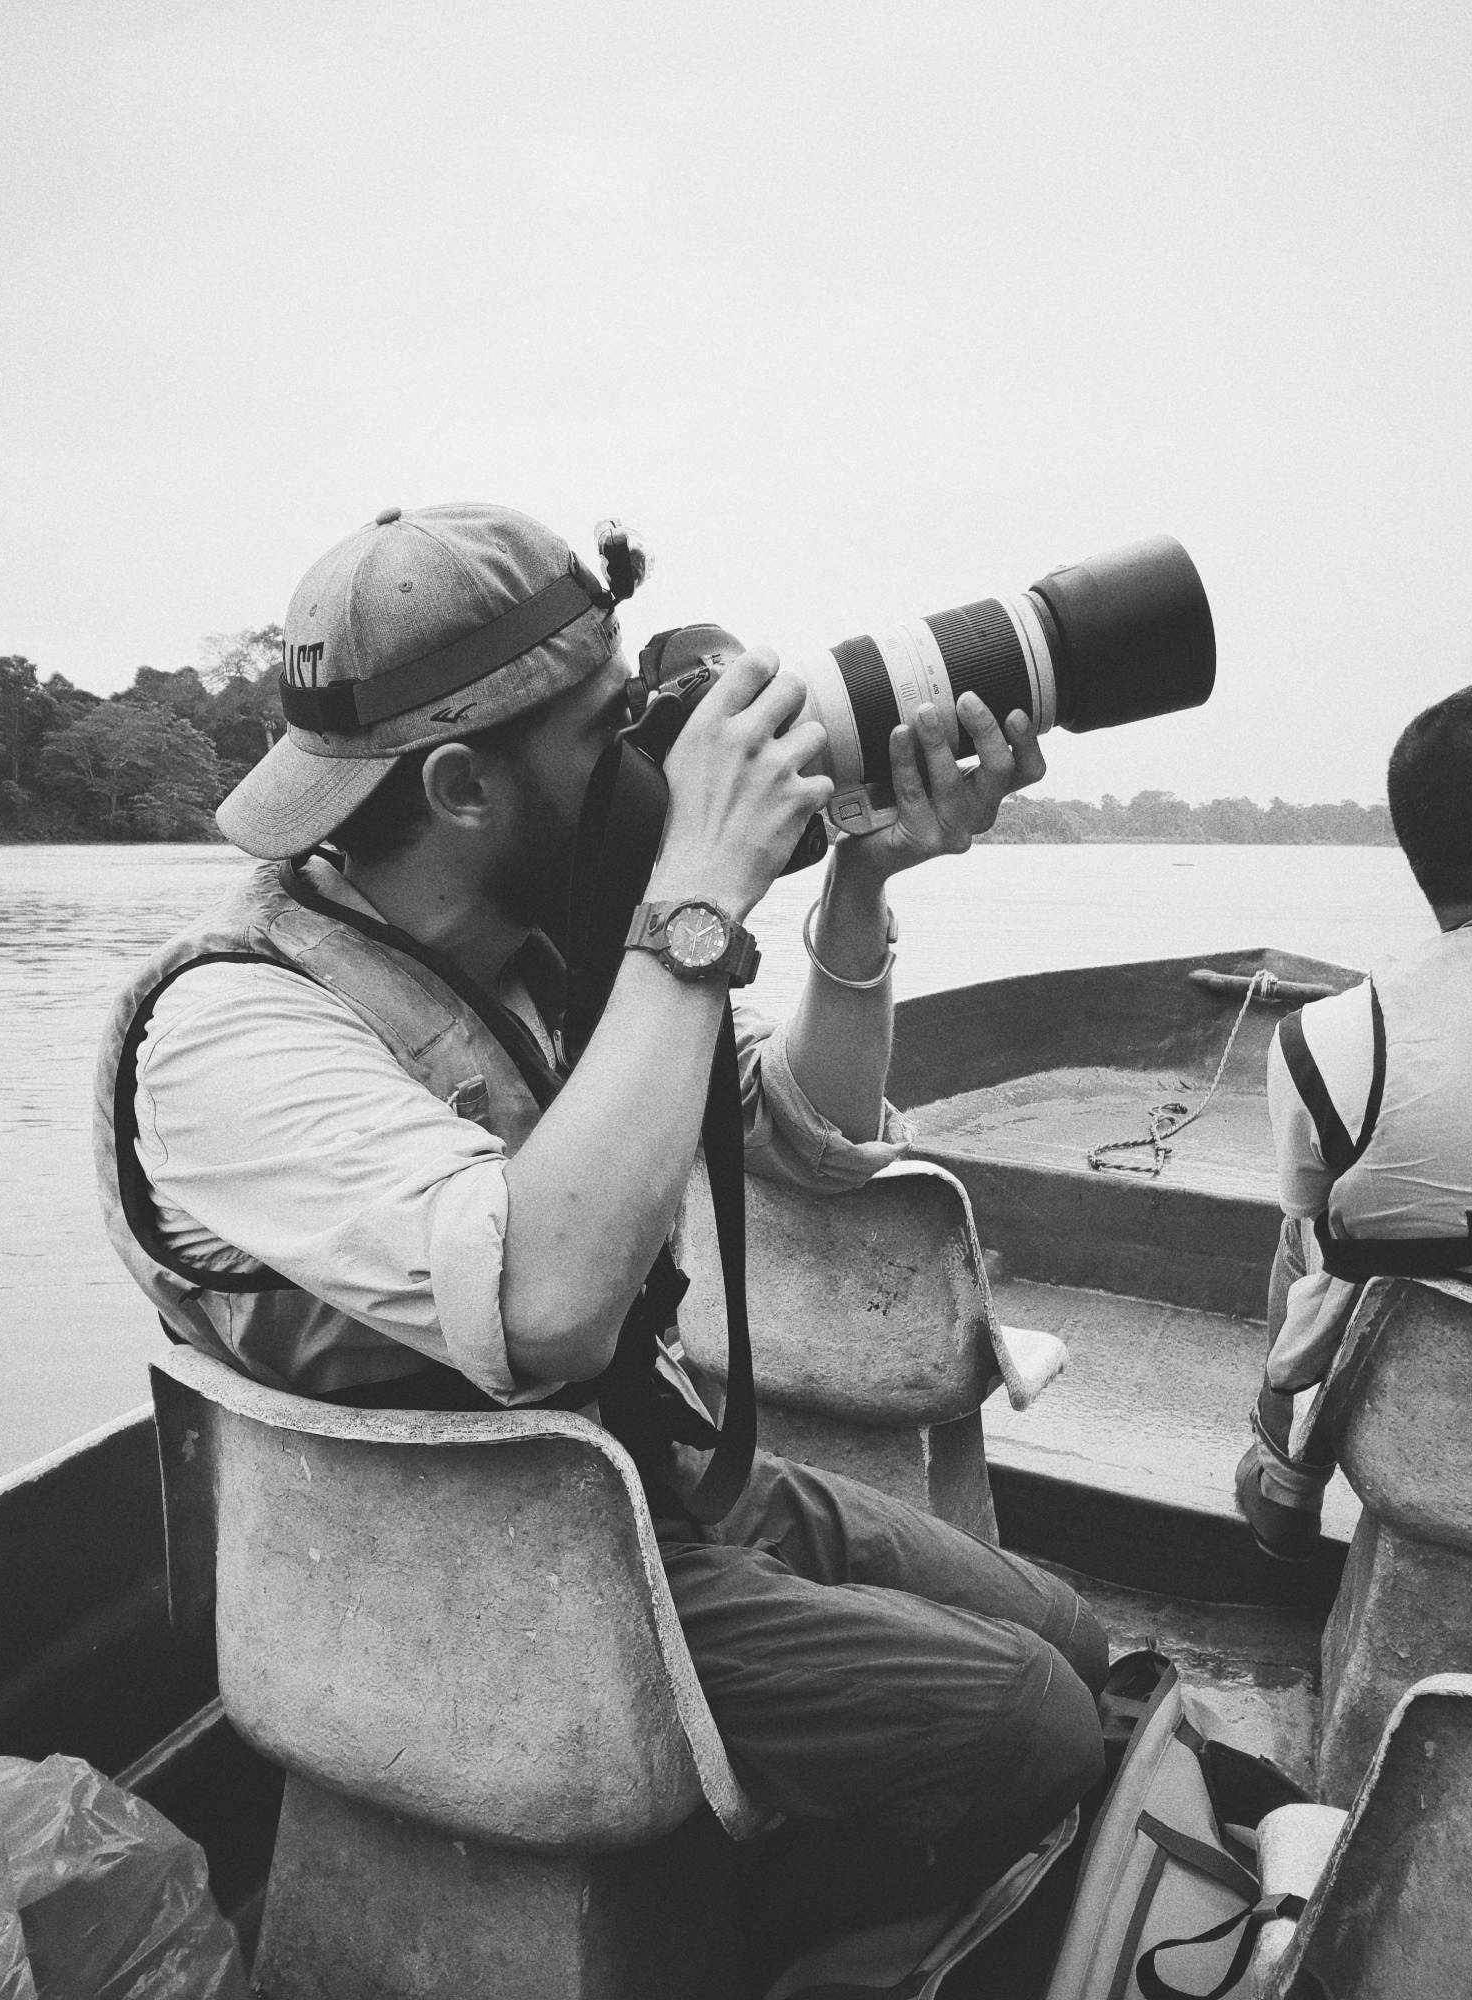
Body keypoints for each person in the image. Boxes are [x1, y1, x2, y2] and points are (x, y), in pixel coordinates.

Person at [95, 501, 1108, 1943]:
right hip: (473, 1567)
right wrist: (695, 892)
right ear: (457, 787)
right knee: (1038, 1721)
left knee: (1064, 1628)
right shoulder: (232, 1030)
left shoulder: (543, 935)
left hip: (649, 1472)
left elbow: (808, 1146)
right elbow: (544, 1302)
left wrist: (860, 886)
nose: (646, 762)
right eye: (602, 734)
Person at [1236, 683, 1472, 1561]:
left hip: (1410, 1408)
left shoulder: (1324, 1040)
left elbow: (1313, 1219)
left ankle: (1287, 1483)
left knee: (1311, 1229)